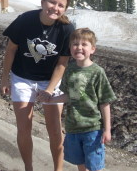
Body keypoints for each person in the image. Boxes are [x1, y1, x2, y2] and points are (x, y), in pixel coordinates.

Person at [0, 0, 75, 171]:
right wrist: (4, 79)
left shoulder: (67, 29)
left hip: (49, 81)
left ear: (65, 9)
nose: (55, 8)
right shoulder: (25, 20)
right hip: (22, 78)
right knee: (24, 128)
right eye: (52, 2)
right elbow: (11, 50)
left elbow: (62, 63)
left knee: (55, 130)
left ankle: (58, 169)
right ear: (43, 2)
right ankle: (29, 168)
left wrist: (49, 89)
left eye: (60, 5)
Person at [44, 28, 117, 171]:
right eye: (75, 44)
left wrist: (107, 129)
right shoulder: (69, 70)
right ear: (70, 48)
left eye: (84, 44)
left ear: (93, 49)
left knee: (94, 165)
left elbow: (105, 102)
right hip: (72, 128)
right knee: (80, 162)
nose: (79, 48)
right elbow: (69, 95)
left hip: (93, 129)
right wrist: (50, 99)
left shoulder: (97, 72)